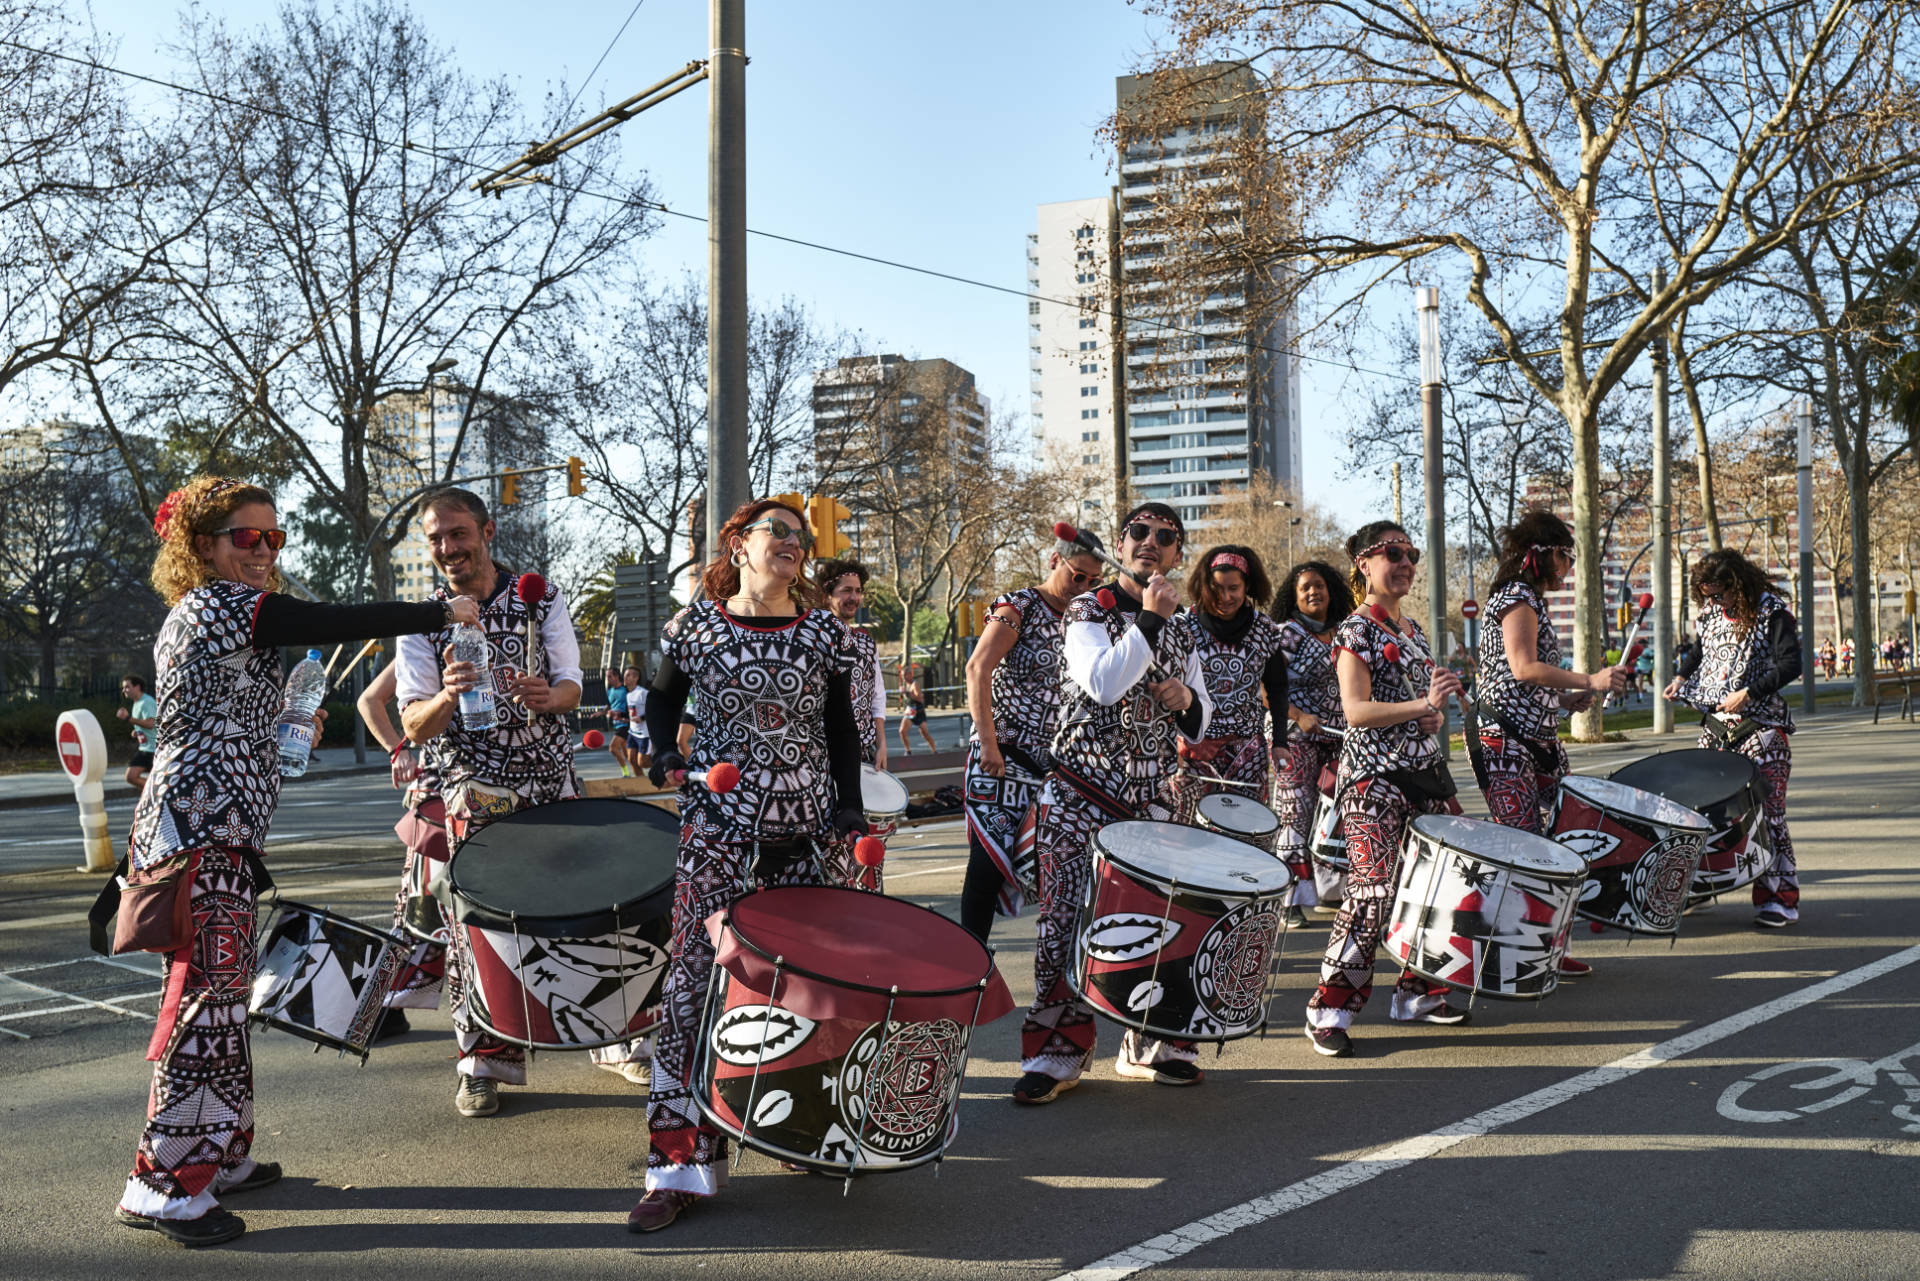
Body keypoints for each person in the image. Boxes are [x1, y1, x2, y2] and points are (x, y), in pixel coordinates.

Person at [114, 476, 473, 1247]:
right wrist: (437, 611)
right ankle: (165, 1181)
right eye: (248, 538)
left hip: (219, 830)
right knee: (206, 1004)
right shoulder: (216, 604)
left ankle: (220, 1153)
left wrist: (286, 722)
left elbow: (247, 702)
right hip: (199, 832)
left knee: (223, 994)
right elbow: (332, 619)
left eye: (274, 539)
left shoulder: (221, 620)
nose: (265, 552)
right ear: (203, 546)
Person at [627, 498, 867, 1232]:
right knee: (695, 992)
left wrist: (849, 808)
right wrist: (666, 751)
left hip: (803, 834)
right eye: (779, 533)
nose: (794, 543)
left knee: (797, 994)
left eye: (802, 536)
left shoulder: (823, 629)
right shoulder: (696, 625)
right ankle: (678, 1164)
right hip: (719, 832)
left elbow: (839, 726)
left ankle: (789, 1126)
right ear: (739, 544)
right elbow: (661, 703)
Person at [394, 488, 583, 1119]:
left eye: (457, 533)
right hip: (472, 793)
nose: (448, 548)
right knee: (475, 929)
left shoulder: (540, 596)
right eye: (436, 538)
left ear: (487, 531)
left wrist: (547, 697)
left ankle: (611, 1038)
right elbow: (414, 724)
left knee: (581, 912)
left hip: (549, 781)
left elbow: (572, 687)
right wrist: (448, 697)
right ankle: (481, 1063)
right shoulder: (422, 619)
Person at [1014, 503, 1212, 1102]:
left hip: (1152, 798)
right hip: (1080, 791)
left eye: (1166, 537)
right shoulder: (1088, 608)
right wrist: (1149, 620)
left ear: (1178, 554)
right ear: (1121, 547)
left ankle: (1150, 1042)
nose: (1151, 543)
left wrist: (1185, 700)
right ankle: (1057, 1051)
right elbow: (1102, 683)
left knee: (1160, 922)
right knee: (1064, 921)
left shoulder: (1184, 625)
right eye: (1139, 534)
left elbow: (1201, 724)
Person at [1304, 519, 1470, 1059]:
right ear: (1364, 564)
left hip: (1423, 775)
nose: (1405, 563)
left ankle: (1418, 993)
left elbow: (1413, 712)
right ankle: (1327, 1009)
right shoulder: (1356, 629)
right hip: (1374, 780)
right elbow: (1355, 711)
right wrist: (1420, 707)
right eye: (1392, 554)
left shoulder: (1416, 631)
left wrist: (1431, 716)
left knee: (1432, 889)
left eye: (1411, 554)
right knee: (1372, 893)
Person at [1470, 511, 1627, 979]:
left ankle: (1547, 949)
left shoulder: (1529, 599)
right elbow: (1521, 667)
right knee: (1522, 845)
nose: (1569, 566)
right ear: (1538, 555)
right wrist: (1590, 678)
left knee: (1559, 839)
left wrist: (1564, 701)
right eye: (1564, 555)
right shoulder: (1516, 597)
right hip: (1503, 740)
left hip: (1534, 738)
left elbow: (1523, 681)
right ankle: (1512, 953)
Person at [956, 533, 1104, 939]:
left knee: (1055, 866)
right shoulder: (1017, 606)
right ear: (1055, 560)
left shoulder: (1086, 618)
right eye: (1078, 576)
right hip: (1000, 757)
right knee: (986, 865)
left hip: (1054, 765)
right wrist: (988, 743)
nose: (1085, 587)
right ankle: (971, 962)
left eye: (1094, 581)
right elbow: (977, 669)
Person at [1665, 549, 1804, 929]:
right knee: (1698, 814)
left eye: (1720, 594)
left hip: (1761, 730)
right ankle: (1699, 887)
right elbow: (1700, 651)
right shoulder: (1709, 614)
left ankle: (1779, 898)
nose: (1713, 602)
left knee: (1768, 816)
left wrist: (1750, 693)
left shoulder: (1771, 611)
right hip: (1714, 728)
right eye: (1707, 595)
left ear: (1738, 586)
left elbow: (1791, 663)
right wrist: (1681, 677)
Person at [355, 661, 448, 1034]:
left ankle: (387, 1006)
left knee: (425, 905)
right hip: (441, 796)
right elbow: (368, 700)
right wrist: (398, 751)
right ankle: (387, 1005)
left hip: (483, 792)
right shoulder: (426, 636)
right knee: (421, 906)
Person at [1167, 545, 1287, 826]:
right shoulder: (1183, 627)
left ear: (1248, 586)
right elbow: (1167, 689)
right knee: (1188, 837)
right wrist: (1177, 744)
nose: (1225, 597)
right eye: (1216, 588)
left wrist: (1280, 742)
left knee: (1244, 837)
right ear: (1204, 586)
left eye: (1234, 588)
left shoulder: (1265, 630)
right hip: (1192, 753)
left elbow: (1278, 688)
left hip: (1246, 755)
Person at [1272, 560, 1355, 919]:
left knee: (1338, 815)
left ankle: (1331, 891)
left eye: (1318, 585)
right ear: (1294, 594)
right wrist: (1299, 716)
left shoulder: (1345, 631)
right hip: (1296, 737)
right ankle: (1291, 902)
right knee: (1296, 815)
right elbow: (1266, 688)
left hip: (1339, 736)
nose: (1312, 592)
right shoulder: (1285, 633)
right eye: (1305, 587)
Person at [816, 558, 889, 770]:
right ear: (827, 596)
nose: (854, 597)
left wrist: (882, 743)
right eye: (846, 590)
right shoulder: (814, 640)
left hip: (864, 755)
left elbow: (877, 695)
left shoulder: (866, 642)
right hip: (824, 754)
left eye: (858, 591)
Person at [117, 675, 158, 791]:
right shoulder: (137, 703)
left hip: (154, 750)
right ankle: (156, 791)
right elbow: (146, 723)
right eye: (123, 688)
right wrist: (138, 731)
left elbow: (151, 723)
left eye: (127, 687)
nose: (124, 690)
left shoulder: (147, 702)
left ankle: (158, 791)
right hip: (145, 749)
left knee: (133, 777)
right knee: (131, 777)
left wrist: (128, 718)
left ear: (137, 687)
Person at [897, 663, 937, 754]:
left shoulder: (915, 684)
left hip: (918, 711)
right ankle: (908, 751)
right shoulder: (905, 685)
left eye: (905, 676)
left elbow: (920, 698)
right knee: (902, 731)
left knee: (925, 733)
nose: (904, 678)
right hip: (910, 710)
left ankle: (934, 751)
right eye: (902, 676)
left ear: (910, 675)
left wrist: (907, 693)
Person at [605, 666, 635, 776]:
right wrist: (602, 712)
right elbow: (609, 706)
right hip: (617, 725)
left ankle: (626, 773)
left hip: (626, 724)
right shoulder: (609, 691)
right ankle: (637, 775)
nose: (608, 679)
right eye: (606, 676)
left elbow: (632, 706)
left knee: (613, 748)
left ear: (617, 676)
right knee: (628, 755)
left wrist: (627, 717)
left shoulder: (625, 690)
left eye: (610, 676)